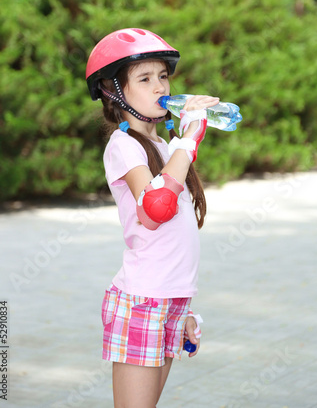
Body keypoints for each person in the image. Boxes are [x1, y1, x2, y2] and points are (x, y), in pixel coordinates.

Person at [85, 28, 219, 408]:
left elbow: (172, 238)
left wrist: (184, 307)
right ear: (114, 91)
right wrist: (189, 142)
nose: (160, 85)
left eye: (163, 75)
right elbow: (154, 210)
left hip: (169, 298)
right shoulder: (123, 146)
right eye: (145, 78)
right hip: (141, 301)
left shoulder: (161, 144)